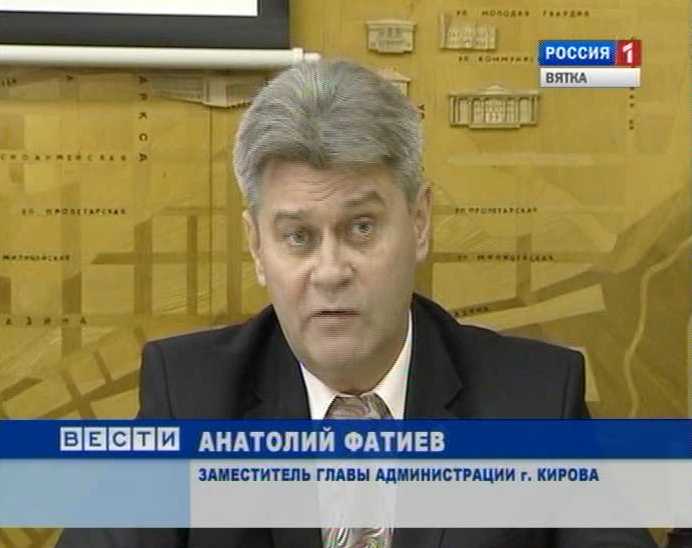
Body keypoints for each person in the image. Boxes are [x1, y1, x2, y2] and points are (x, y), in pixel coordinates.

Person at [57, 59, 656, 548]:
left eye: (362, 228)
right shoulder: (190, 401)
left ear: (419, 223)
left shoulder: (533, 403)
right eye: (298, 236)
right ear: (257, 247)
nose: (330, 272)